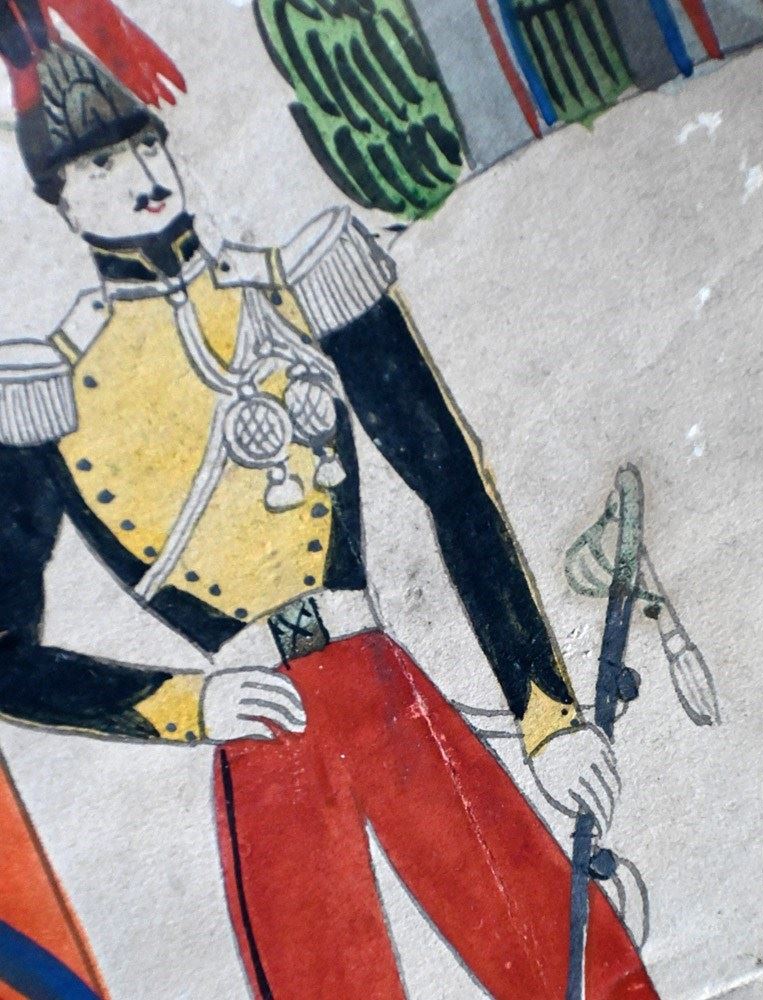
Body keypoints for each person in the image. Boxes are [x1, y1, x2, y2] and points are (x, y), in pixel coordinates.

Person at [0, 17, 658, 999]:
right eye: (100, 163)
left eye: (143, 145)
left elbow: (453, 488)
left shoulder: (300, 286)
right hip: (257, 727)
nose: (139, 174)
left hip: (381, 685)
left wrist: (547, 715)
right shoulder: (45, 391)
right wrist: (187, 706)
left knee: (574, 967)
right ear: (59, 197)